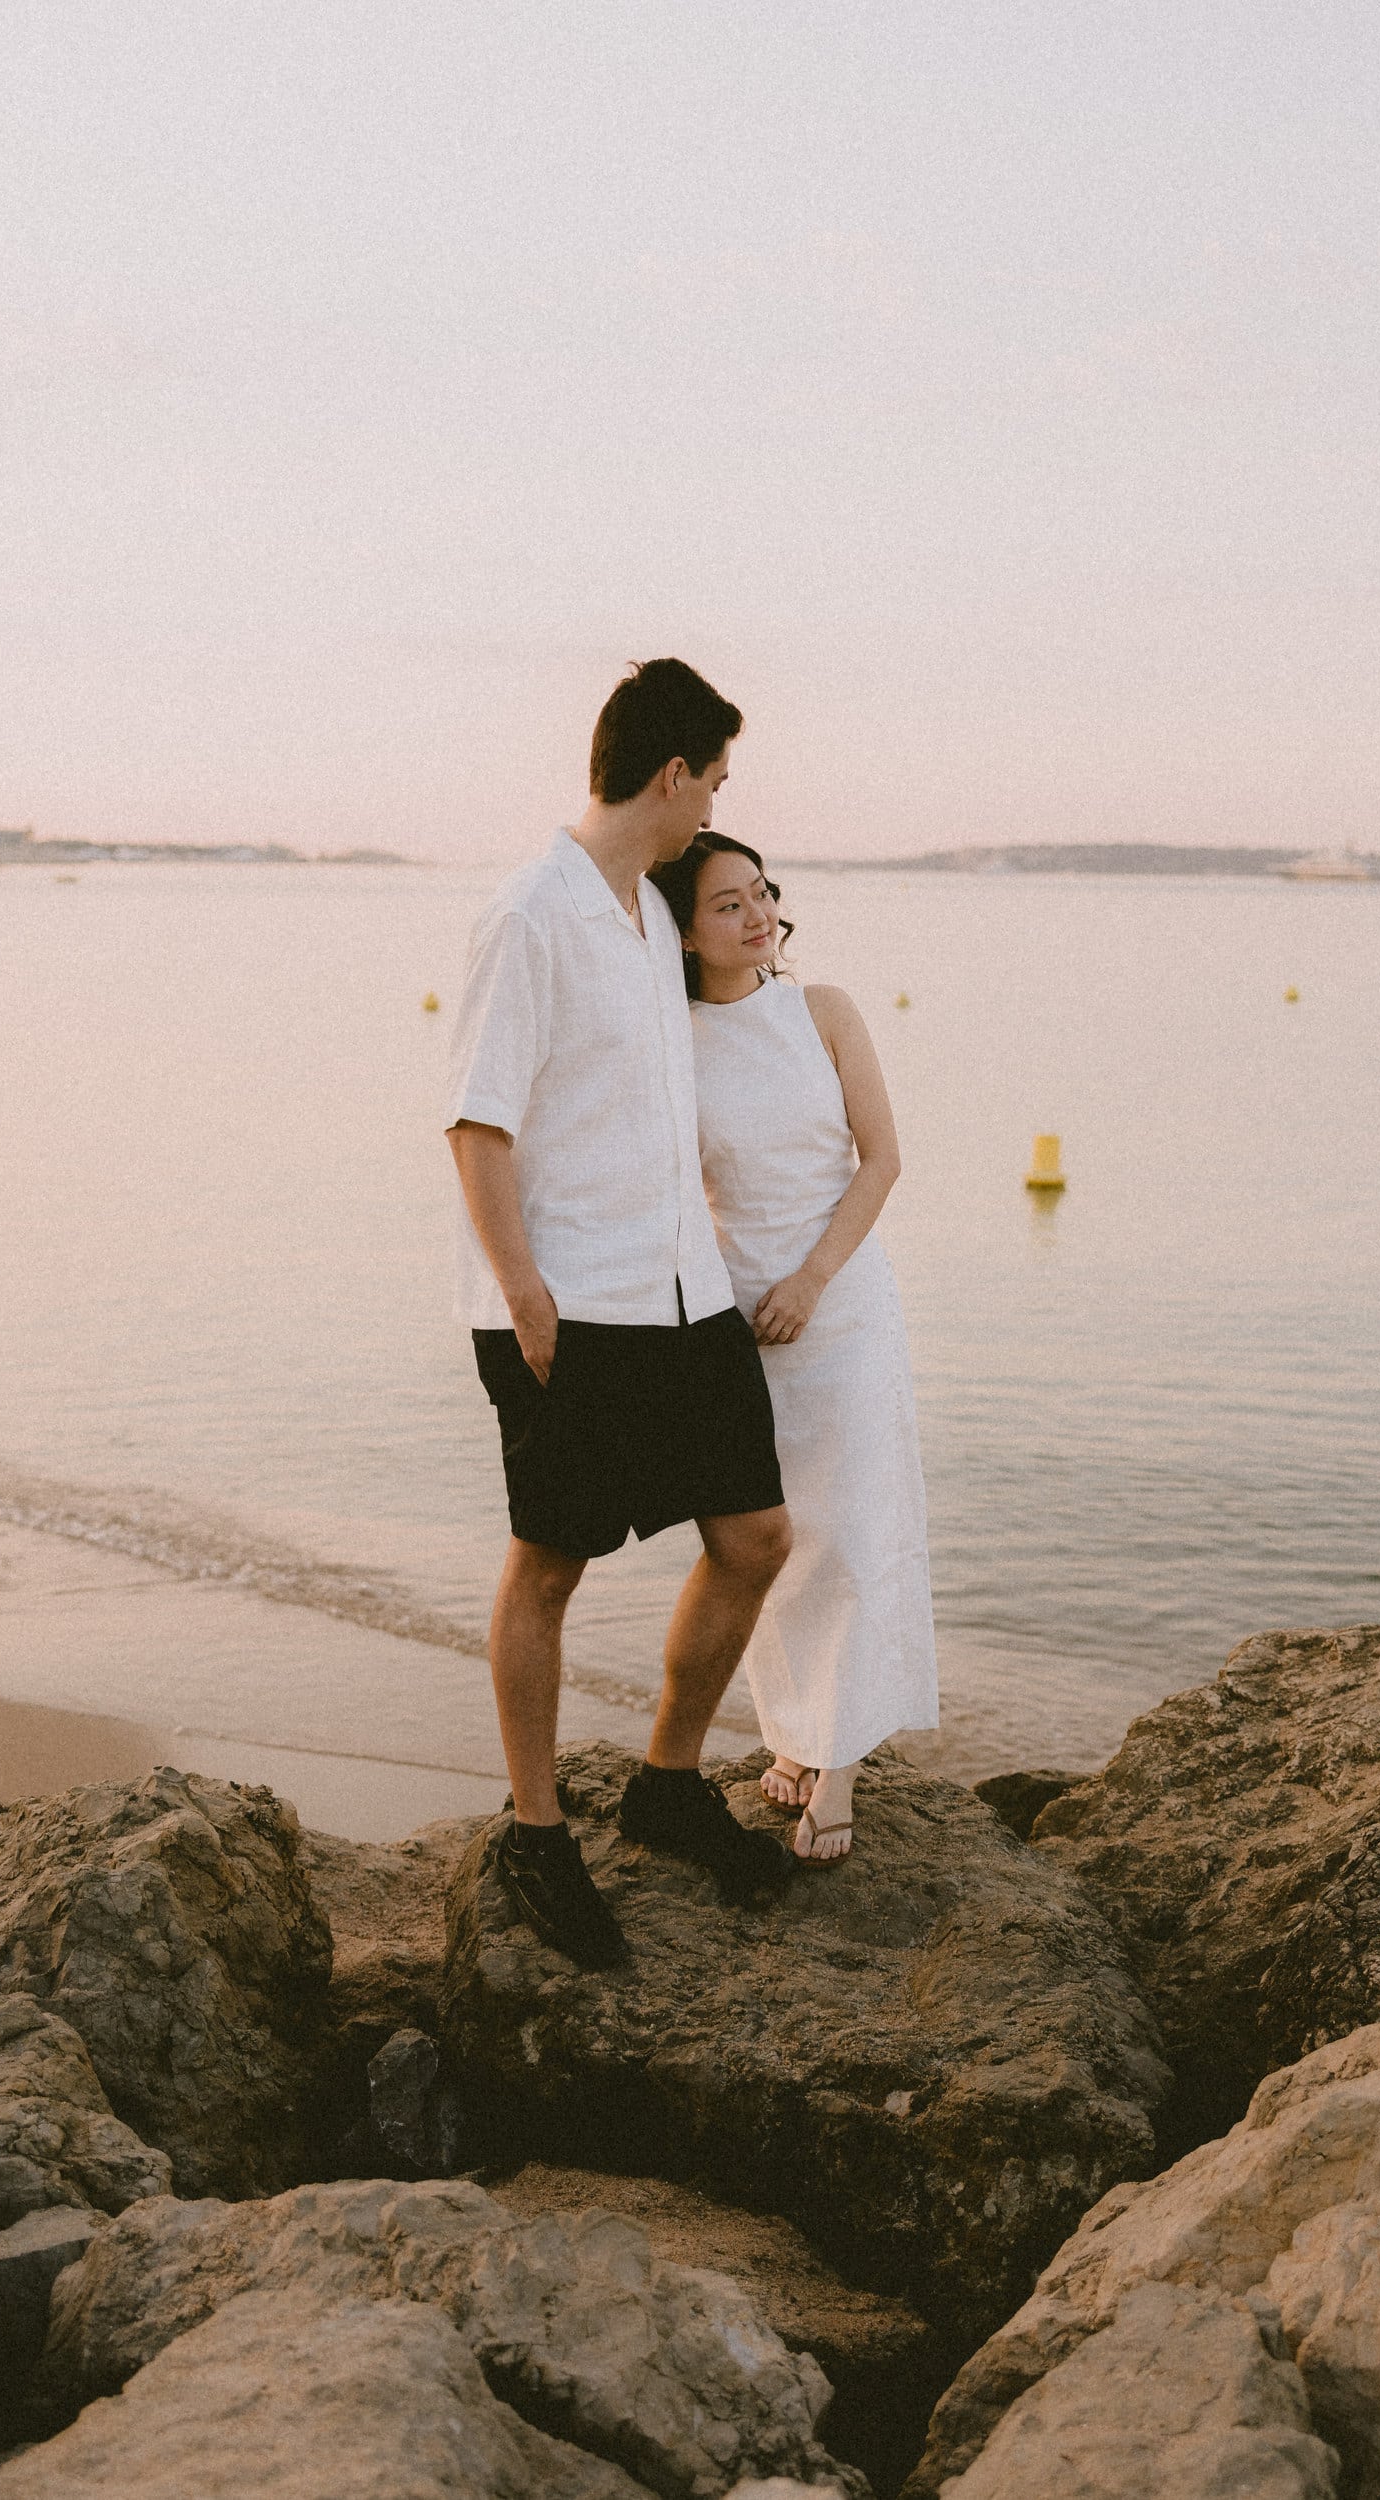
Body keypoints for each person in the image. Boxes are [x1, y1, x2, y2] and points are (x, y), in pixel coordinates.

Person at [446, 660, 795, 1970]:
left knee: (755, 1535)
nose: (714, 804)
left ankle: (665, 1781)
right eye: (712, 779)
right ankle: (536, 1835)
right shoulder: (529, 914)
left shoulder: (651, 914)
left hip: (685, 1291)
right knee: (551, 1566)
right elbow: (478, 1124)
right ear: (671, 775)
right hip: (568, 1304)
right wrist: (524, 1290)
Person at [648, 834, 939, 1860]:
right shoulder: (671, 1038)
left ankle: (841, 1760)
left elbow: (884, 1159)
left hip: (842, 1302)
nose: (757, 914)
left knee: (854, 1525)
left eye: (762, 892)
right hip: (737, 1319)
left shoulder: (826, 1011)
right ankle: (795, 1732)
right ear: (683, 930)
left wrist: (812, 1279)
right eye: (727, 904)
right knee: (766, 1541)